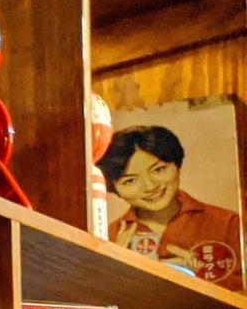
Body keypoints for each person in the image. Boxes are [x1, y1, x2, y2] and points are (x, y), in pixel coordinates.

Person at [103, 124, 244, 291]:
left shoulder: (228, 224)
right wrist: (116, 269)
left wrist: (197, 278)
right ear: (113, 188)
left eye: (159, 169)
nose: (150, 186)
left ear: (177, 165)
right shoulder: (109, 237)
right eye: (130, 181)